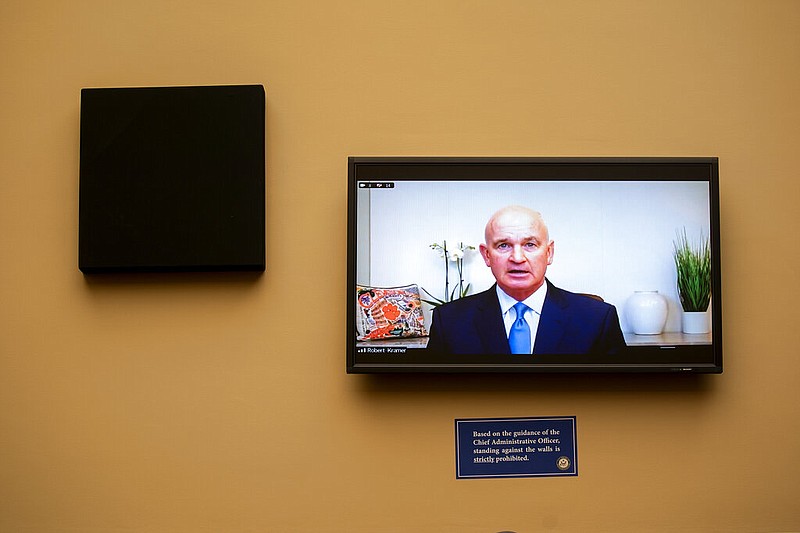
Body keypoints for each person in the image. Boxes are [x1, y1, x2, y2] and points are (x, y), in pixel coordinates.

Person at [426, 205, 626, 355]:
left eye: (530, 244)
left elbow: (615, 401)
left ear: (549, 253)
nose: (518, 258)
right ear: (487, 255)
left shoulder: (598, 318)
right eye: (503, 245)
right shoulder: (450, 321)